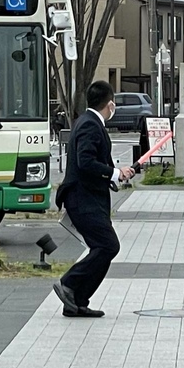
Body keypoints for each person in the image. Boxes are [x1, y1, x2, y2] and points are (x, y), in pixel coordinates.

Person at [52, 81, 135, 318]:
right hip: (83, 199)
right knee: (108, 245)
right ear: (110, 104)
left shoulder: (86, 122)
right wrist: (114, 173)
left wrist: (116, 172)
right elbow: (85, 162)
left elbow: (92, 162)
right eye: (114, 103)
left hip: (88, 197)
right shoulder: (90, 125)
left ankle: (76, 301)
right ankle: (69, 283)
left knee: (103, 246)